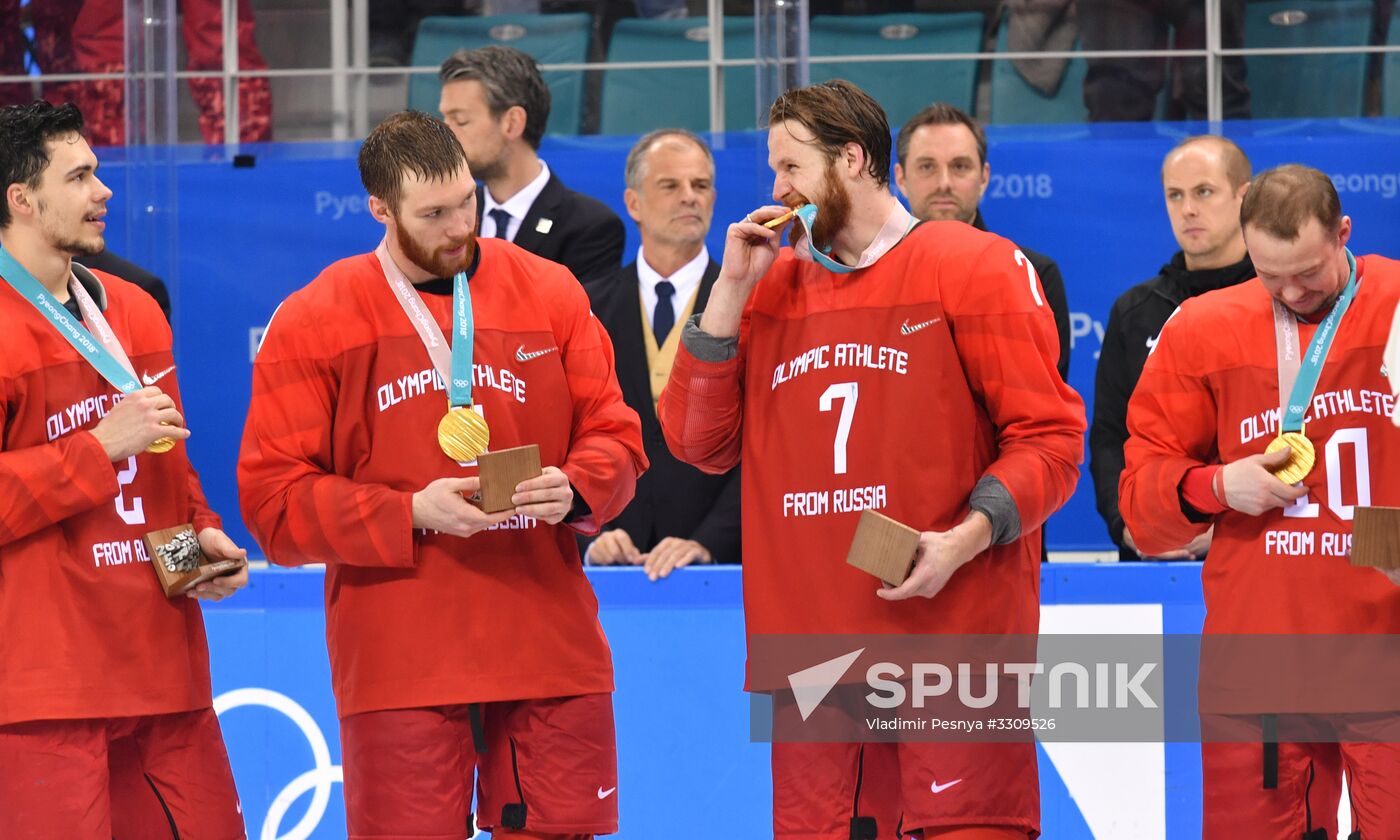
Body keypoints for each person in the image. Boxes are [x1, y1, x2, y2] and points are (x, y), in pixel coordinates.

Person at [658, 80, 1084, 839]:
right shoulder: (767, 285)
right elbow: (698, 445)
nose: (777, 189)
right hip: (812, 658)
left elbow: (1051, 440)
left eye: (791, 168)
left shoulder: (975, 265)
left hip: (950, 649)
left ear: (851, 160)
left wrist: (966, 537)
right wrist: (726, 293)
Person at [238, 110, 646, 839]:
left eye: (468, 202)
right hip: (402, 653)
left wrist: (579, 486)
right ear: (379, 209)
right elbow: (273, 504)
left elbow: (616, 436)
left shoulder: (550, 292)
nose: (461, 226)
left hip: (546, 641)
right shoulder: (315, 319)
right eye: (433, 214)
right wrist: (408, 512)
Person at [1120, 164, 1400, 837]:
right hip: (1261, 658)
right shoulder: (1202, 327)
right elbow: (1141, 506)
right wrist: (1217, 486)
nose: (1294, 292)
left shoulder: (1397, 302)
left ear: (1344, 234)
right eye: (1271, 275)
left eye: (1309, 271)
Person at [0, 100, 246, 837]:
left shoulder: (135, 309)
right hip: (44, 689)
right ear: (21, 199)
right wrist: (95, 448)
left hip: (164, 674)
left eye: (97, 173)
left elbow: (164, 472)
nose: (103, 191)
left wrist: (195, 547)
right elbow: (116, 449)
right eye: (79, 177)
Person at [584, 129, 740, 579]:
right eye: (670, 186)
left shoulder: (751, 303)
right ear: (633, 203)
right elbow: (569, 433)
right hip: (613, 563)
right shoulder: (586, 307)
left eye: (701, 185)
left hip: (722, 565)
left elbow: (764, 445)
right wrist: (593, 531)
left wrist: (710, 542)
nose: (689, 197)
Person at [1092, 135, 1254, 560]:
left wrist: (1227, 533)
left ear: (1245, 196)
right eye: (1175, 195)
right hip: (1152, 553)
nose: (1188, 210)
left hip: (1257, 545)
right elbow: (1111, 437)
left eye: (1204, 192)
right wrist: (1129, 528)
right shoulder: (1135, 310)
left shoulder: (1281, 299)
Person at [894, 102, 1071, 382]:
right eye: (927, 166)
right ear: (901, 179)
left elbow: (1043, 397)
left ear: (984, 177)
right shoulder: (877, 272)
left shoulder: (1035, 273)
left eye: (960, 166)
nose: (944, 183)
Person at [439, 45, 625, 285]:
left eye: (460, 121)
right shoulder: (445, 218)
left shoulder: (590, 227)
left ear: (512, 123)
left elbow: (576, 319)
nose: (444, 134)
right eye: (444, 119)